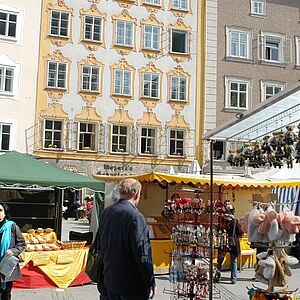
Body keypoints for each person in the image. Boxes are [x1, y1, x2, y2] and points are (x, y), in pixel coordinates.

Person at [92, 178, 157, 300]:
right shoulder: (136, 217)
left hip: (108, 280)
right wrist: (150, 281)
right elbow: (143, 254)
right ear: (136, 193)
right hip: (130, 285)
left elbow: (97, 244)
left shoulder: (107, 212)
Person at [0, 202, 25, 299]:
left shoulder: (12, 227)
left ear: (5, 213)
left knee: (5, 294)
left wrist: (13, 251)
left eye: (0, 210)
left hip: (6, 265)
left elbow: (21, 243)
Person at [216, 207, 243, 284]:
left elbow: (218, 230)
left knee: (220, 260)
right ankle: (233, 278)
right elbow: (240, 232)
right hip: (233, 243)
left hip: (223, 242)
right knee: (233, 261)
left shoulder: (222, 221)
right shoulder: (235, 221)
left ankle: (217, 276)